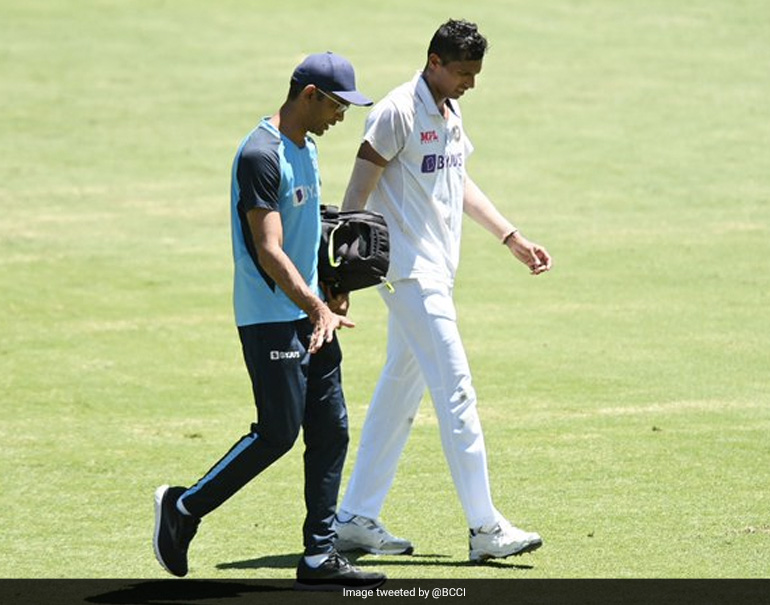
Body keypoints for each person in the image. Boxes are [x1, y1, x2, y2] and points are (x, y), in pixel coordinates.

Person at [152, 51, 386, 590]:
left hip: (311, 313)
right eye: (336, 106)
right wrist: (315, 305)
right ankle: (183, 507)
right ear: (308, 95)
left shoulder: (306, 148)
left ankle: (319, 556)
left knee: (331, 430)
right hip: (271, 317)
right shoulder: (261, 153)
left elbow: (307, 231)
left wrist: (331, 287)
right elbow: (268, 250)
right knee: (278, 432)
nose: (341, 117)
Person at [333, 20, 553, 562]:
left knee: (398, 391)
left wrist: (510, 235)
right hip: (407, 273)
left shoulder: (450, 109)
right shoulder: (396, 111)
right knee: (456, 392)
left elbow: (457, 179)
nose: (470, 83)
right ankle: (485, 529)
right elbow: (356, 192)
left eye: (475, 74)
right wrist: (340, 277)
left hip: (436, 271)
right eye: (462, 72)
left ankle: (355, 518)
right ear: (434, 60)